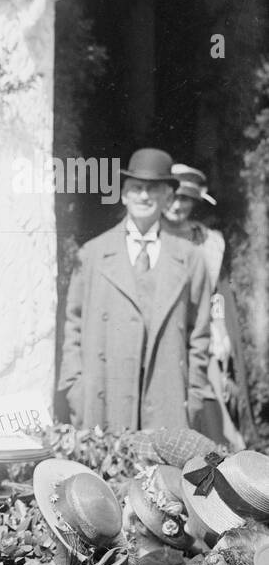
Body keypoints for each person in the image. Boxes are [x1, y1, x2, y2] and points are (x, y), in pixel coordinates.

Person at [59, 147, 214, 431]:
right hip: (104, 399)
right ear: (123, 194)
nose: (144, 196)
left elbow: (200, 335)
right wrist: (75, 388)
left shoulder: (190, 258)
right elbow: (73, 328)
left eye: (153, 189)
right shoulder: (93, 254)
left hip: (167, 401)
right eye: (136, 187)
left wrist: (194, 396)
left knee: (165, 475)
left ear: (168, 196)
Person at [164, 164, 249, 448]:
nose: (177, 205)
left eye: (185, 199)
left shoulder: (209, 242)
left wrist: (220, 328)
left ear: (195, 201)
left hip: (198, 336)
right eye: (172, 196)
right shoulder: (148, 235)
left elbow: (217, 294)